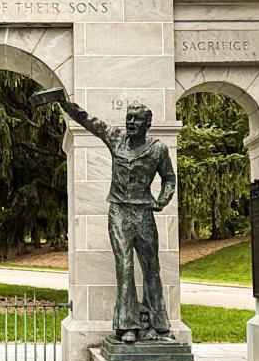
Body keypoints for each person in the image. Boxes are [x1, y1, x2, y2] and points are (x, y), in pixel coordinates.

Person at [46, 91, 176, 343]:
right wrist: (65, 104)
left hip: (144, 212)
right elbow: (89, 120)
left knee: (152, 268)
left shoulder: (158, 149)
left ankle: (159, 326)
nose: (130, 123)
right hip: (118, 211)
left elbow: (169, 178)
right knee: (124, 267)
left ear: (147, 124)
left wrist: (163, 199)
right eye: (128, 118)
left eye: (136, 119)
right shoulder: (116, 138)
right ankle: (127, 324)